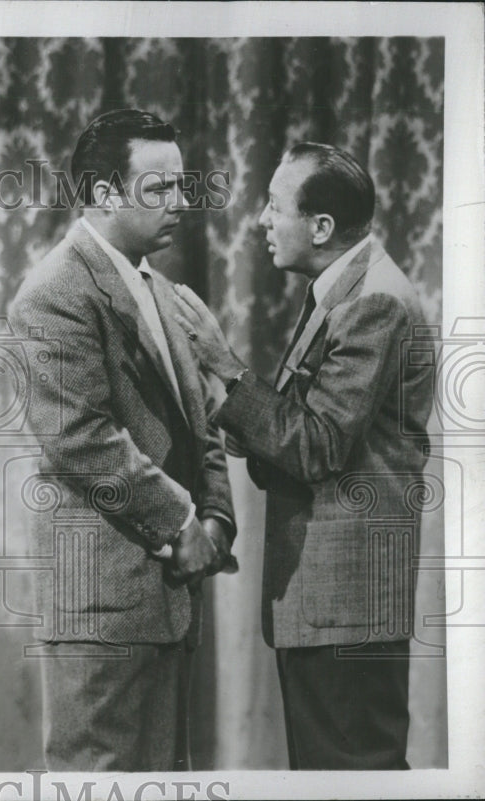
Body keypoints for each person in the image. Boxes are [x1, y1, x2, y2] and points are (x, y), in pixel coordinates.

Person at [172, 142, 434, 769]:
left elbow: (317, 446)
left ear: (320, 227)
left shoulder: (372, 300)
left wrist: (224, 367)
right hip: (333, 606)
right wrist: (251, 427)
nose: (261, 220)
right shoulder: (342, 286)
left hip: (346, 606)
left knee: (353, 775)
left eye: (273, 204)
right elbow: (314, 430)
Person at [8, 109, 237, 772]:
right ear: (105, 195)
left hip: (169, 596)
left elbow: (202, 421)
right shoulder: (54, 291)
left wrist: (216, 515)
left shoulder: (161, 290)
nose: (181, 203)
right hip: (101, 607)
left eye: (183, 186)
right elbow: (78, 439)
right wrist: (182, 518)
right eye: (160, 188)